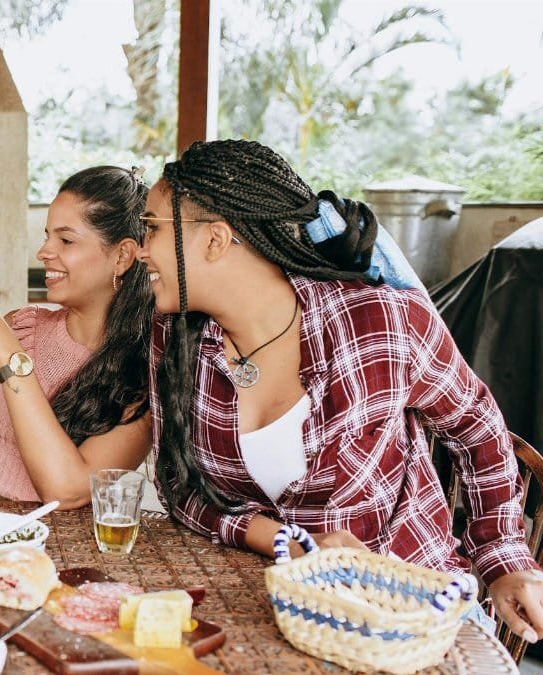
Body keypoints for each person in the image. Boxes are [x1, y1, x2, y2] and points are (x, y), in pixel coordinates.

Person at [140, 139, 543, 639]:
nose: (140, 249)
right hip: (282, 611)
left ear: (216, 240)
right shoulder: (176, 339)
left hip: (409, 613)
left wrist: (504, 559)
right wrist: (285, 539)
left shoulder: (380, 323)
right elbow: (178, 487)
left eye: (151, 228)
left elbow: (478, 426)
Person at [0, 166, 153, 509]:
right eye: (47, 236)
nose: (44, 252)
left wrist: (7, 352)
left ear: (122, 255)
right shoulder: (22, 324)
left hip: (31, 535)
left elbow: (68, 491)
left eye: (66, 240)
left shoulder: (139, 375)